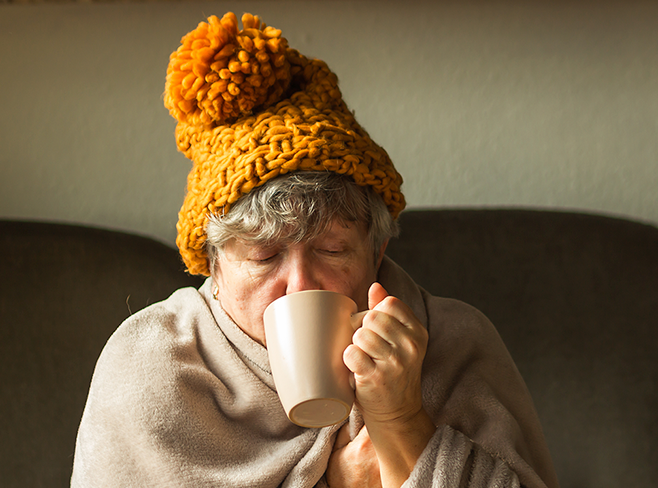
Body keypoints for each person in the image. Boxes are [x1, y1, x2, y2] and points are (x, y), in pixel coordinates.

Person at [72, 12, 558, 488]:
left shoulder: (455, 343)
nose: (299, 286)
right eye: (264, 257)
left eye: (331, 250)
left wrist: (404, 422)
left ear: (377, 249)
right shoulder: (154, 365)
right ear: (214, 267)